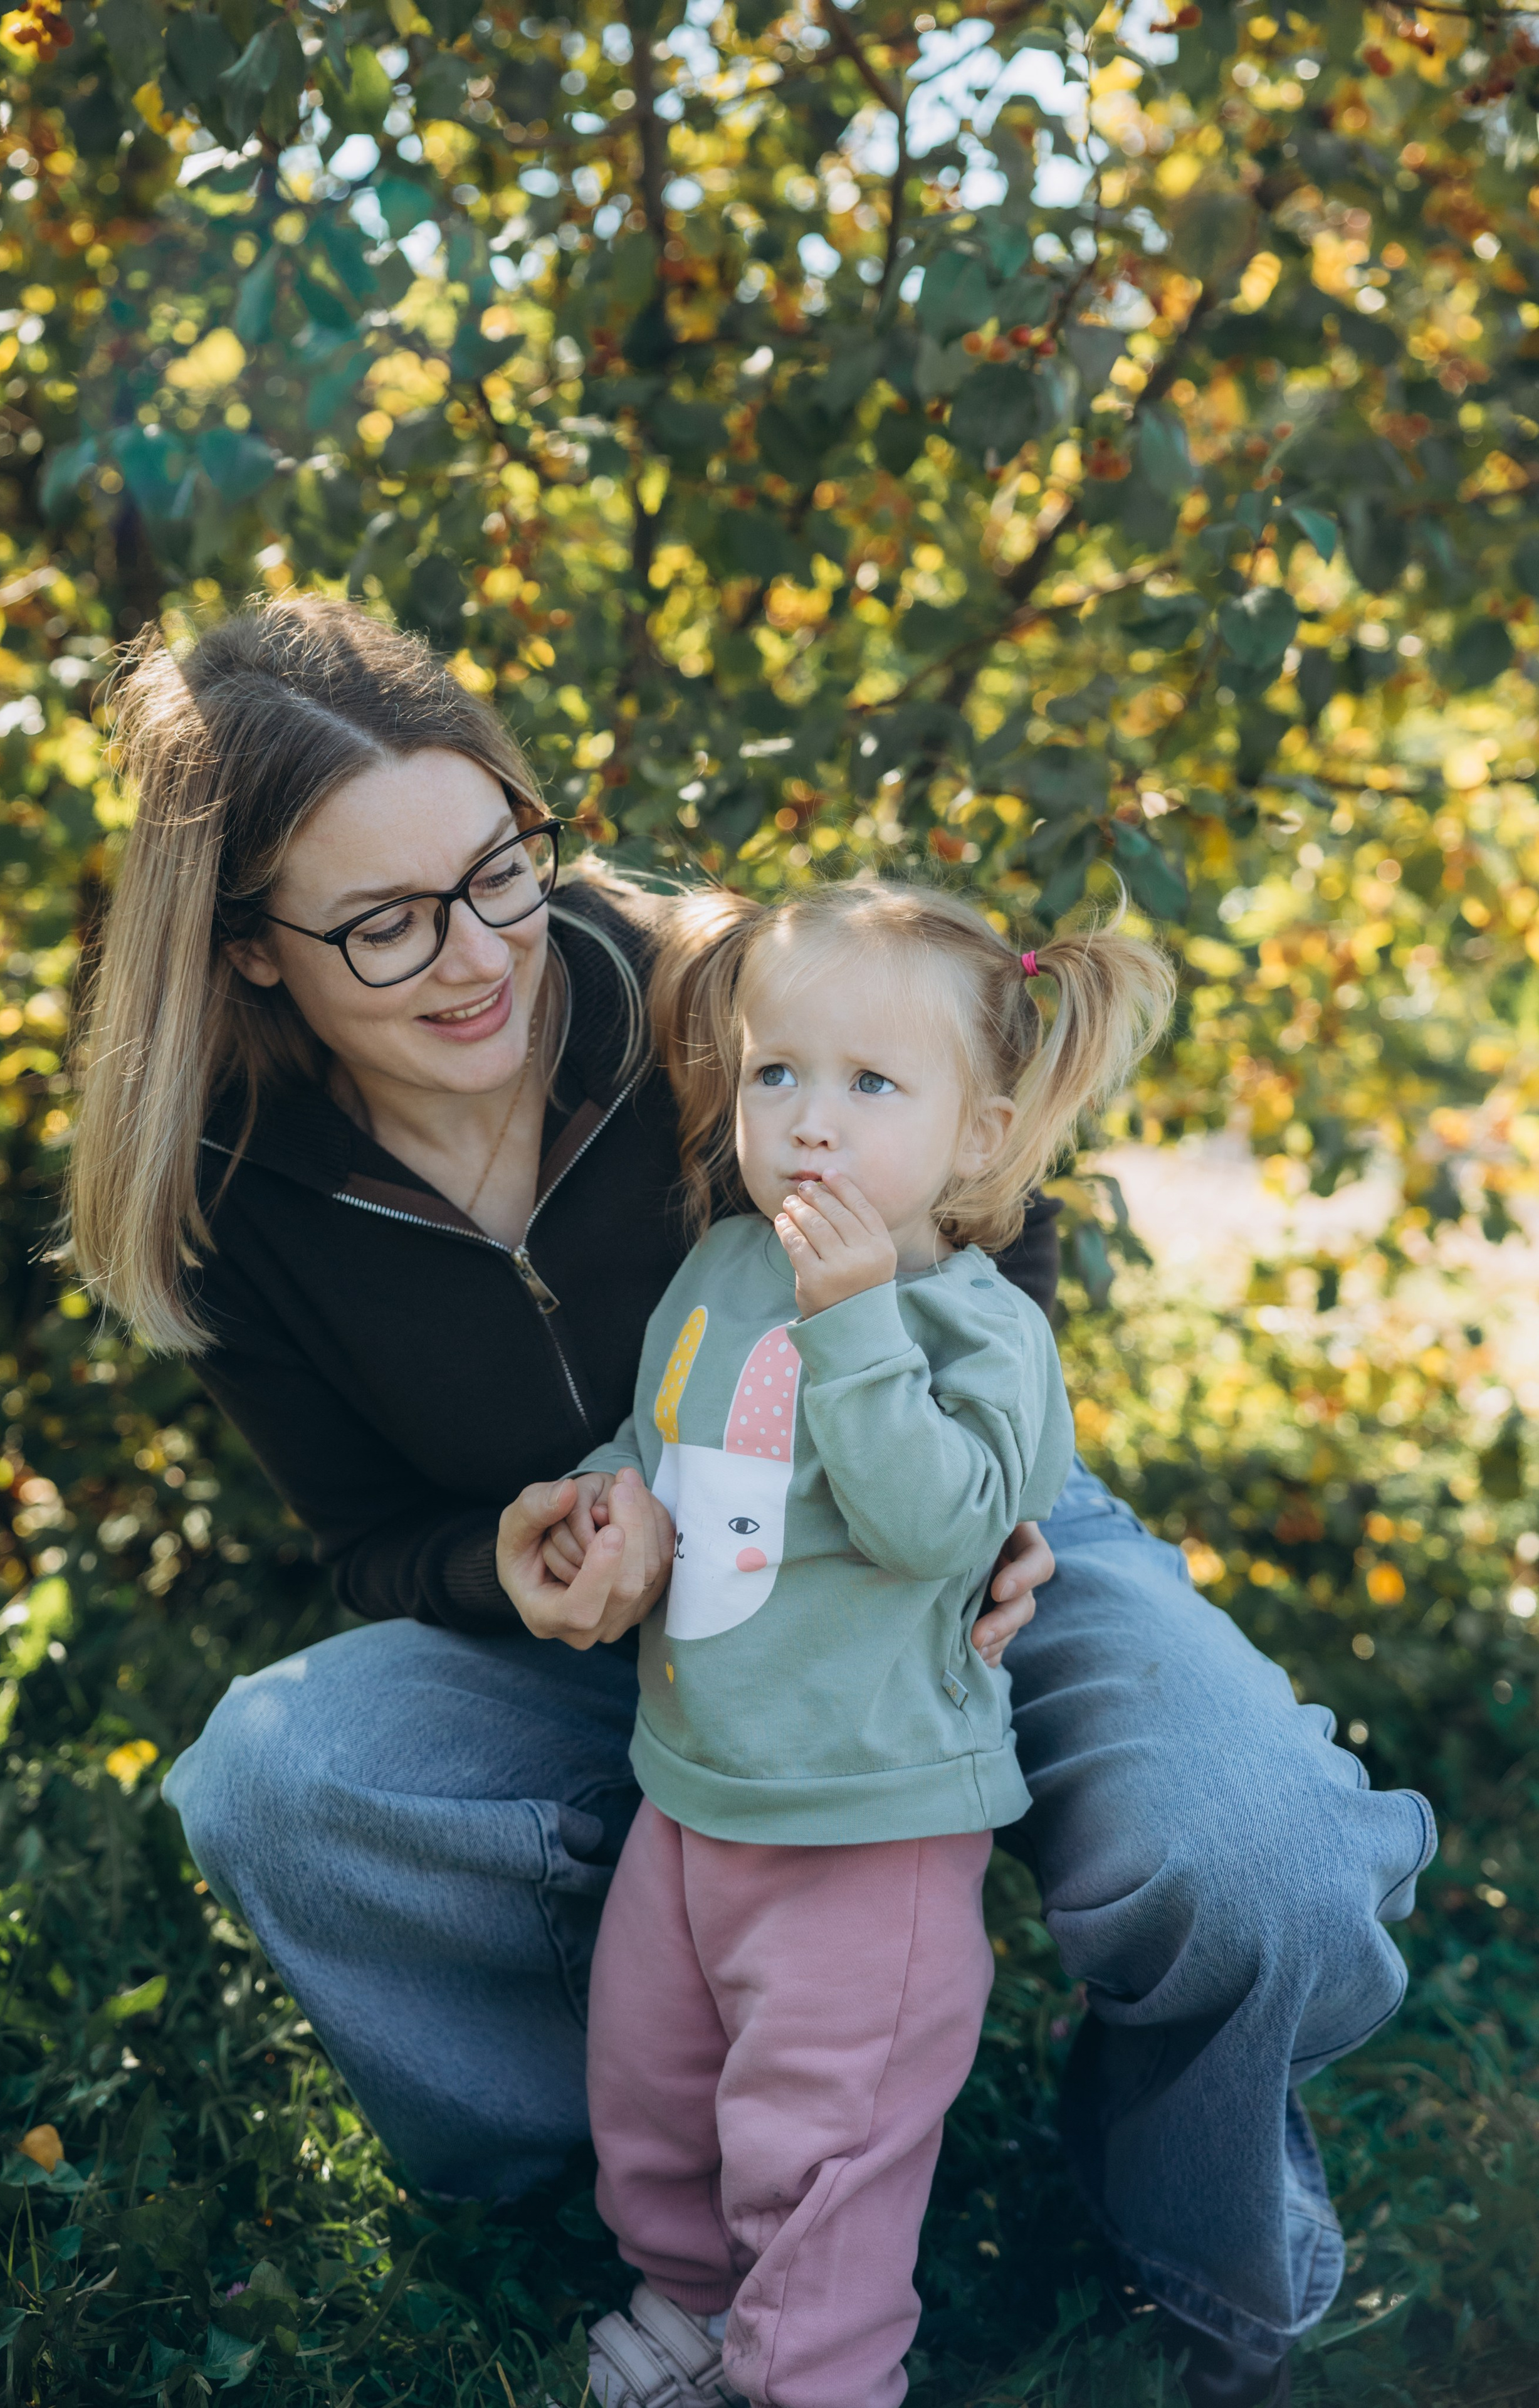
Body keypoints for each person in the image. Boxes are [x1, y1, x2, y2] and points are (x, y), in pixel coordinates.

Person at [65, 597, 1435, 2408]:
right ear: (248, 949)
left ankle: (1176, 2231)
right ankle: (672, 2200)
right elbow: (367, 1539)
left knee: (1256, 1853)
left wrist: (995, 1491)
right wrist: (511, 1558)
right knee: (274, 1779)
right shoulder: (238, 1193)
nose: (478, 955)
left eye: (498, 870)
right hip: (645, 1615)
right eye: (385, 923)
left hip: (951, 1532)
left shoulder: (705, 992)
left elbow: (989, 1186)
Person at [508, 879, 1161, 2408]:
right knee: (655, 2084)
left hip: (869, 1822)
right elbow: (660, 1432)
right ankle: (693, 2302)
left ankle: (813, 2372)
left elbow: (934, 1526)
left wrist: (855, 1321)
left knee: (824, 2138)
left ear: (978, 1135)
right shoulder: (724, 1266)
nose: (810, 1121)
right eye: (777, 1074)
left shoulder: (973, 1327)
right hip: (694, 1786)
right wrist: (608, 1504)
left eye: (871, 1085)